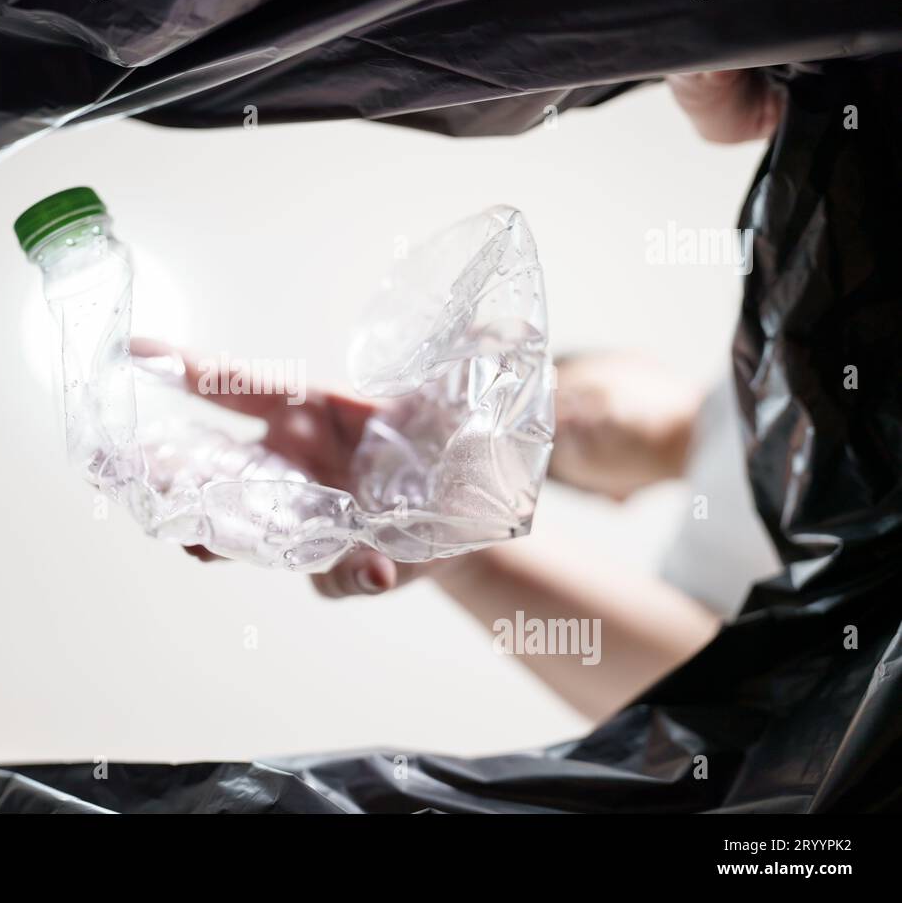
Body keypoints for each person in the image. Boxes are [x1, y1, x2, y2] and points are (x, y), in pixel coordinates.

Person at [167, 69, 787, 721]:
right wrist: (454, 545)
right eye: (547, 445)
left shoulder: (783, 316)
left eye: (558, 389)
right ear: (614, 497)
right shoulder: (690, 575)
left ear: (636, 359)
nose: (557, 416)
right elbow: (714, 709)